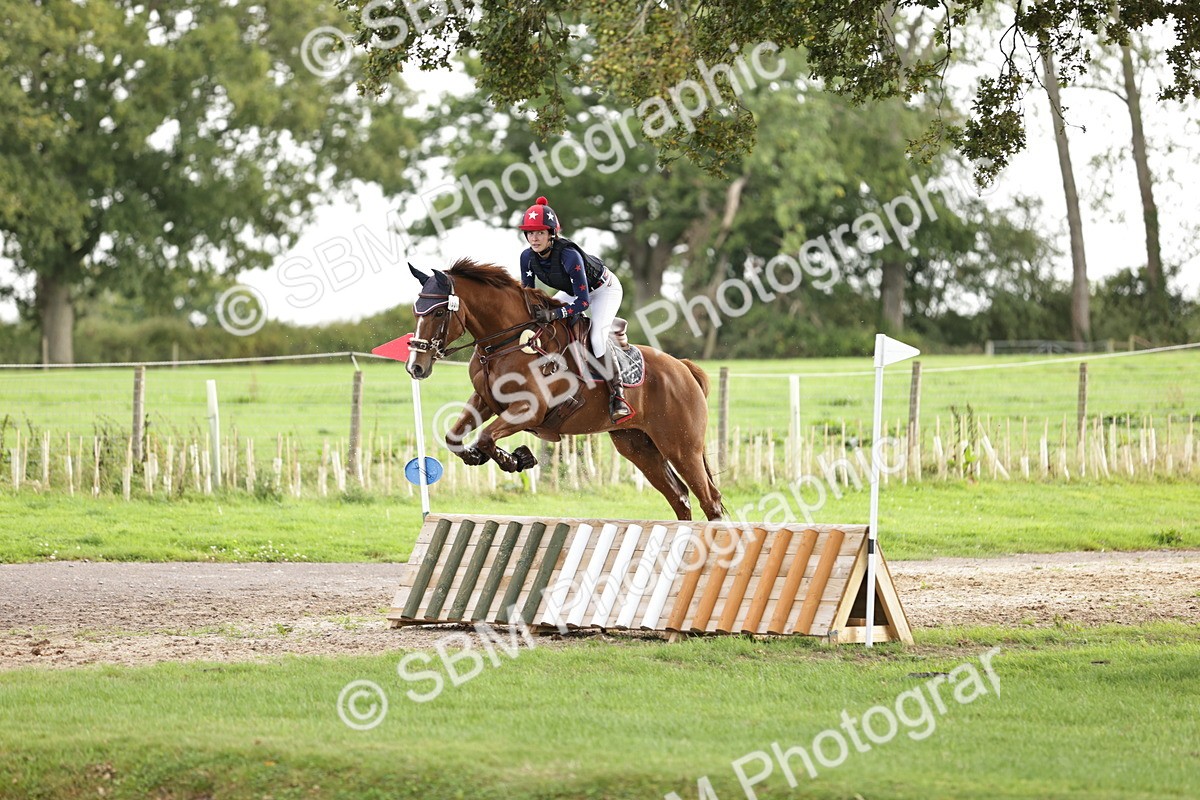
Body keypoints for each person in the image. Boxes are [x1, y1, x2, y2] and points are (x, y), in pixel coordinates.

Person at [518, 196, 633, 423]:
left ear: (552, 234)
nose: (534, 238)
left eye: (540, 232)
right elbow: (528, 297)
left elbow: (582, 304)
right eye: (530, 233)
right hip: (572, 289)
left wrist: (554, 313)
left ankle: (618, 395)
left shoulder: (570, 256)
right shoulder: (527, 258)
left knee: (597, 336)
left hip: (602, 290)